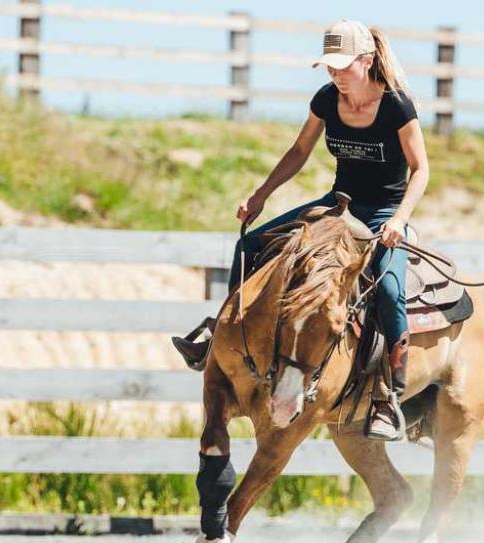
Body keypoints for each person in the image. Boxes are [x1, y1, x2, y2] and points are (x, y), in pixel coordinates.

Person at [172, 18, 430, 441]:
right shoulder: (327, 100)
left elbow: (421, 169)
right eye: (329, 66)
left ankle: (388, 394)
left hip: (383, 211)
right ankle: (218, 339)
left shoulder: (397, 106)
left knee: (387, 290)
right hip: (338, 203)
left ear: (366, 61)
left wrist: (400, 219)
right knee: (251, 246)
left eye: (342, 65)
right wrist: (260, 196)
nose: (334, 73)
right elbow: (298, 151)